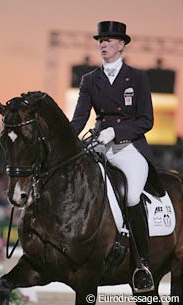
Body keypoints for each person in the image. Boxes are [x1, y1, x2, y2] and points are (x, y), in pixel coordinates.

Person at [70, 21, 156, 292]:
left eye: (108, 40)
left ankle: (142, 264)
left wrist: (116, 131)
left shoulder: (138, 78)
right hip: (98, 144)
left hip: (129, 146)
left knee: (131, 196)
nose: (103, 45)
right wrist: (61, 140)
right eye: (100, 40)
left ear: (122, 44)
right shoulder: (89, 80)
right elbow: (78, 120)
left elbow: (146, 120)